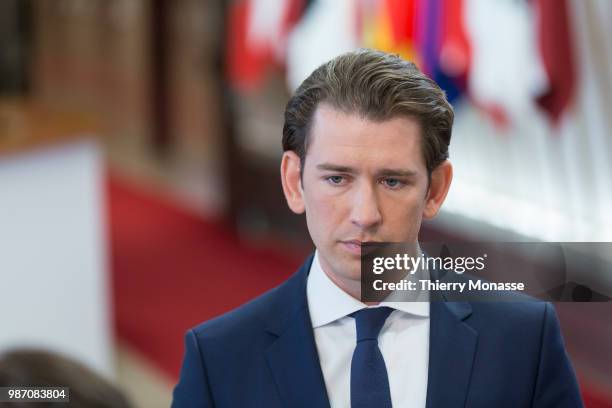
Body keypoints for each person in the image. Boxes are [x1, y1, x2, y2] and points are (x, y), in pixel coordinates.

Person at [171, 49, 583, 407]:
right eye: (337, 179)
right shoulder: (220, 359)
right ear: (294, 182)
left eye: (392, 181)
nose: (365, 214)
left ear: (435, 190)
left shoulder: (524, 340)